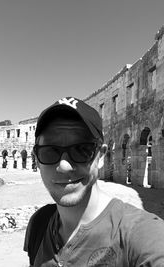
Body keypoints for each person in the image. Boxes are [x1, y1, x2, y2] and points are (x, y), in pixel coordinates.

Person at [24, 96, 164, 266]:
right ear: (37, 159)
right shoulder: (39, 224)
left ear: (101, 156)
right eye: (50, 151)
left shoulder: (139, 233)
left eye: (81, 150)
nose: (64, 166)